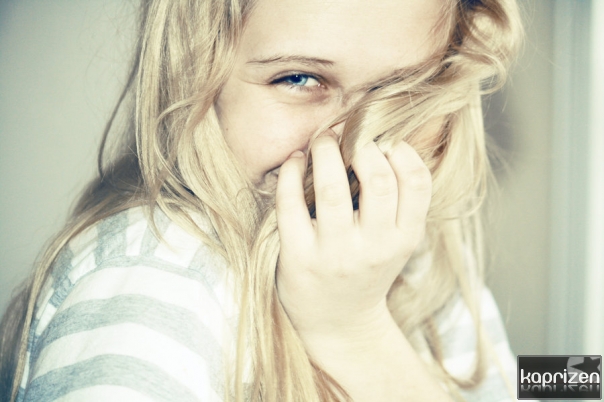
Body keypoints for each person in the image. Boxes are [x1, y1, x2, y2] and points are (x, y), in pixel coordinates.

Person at [0, 0, 523, 400]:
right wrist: (350, 332)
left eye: (407, 91)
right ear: (196, 78)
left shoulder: (425, 258)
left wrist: (359, 328)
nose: (354, 142)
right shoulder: (154, 276)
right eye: (298, 78)